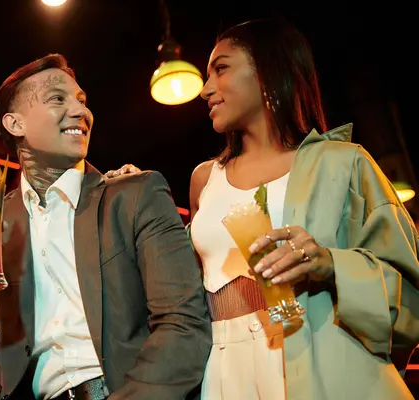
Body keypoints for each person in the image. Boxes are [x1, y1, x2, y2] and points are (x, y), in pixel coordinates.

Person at [0, 54, 212, 400]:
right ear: (15, 125)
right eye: (57, 99)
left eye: (82, 101)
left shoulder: (133, 195)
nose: (81, 112)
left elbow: (184, 325)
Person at [110, 19, 419, 399]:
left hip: (318, 362)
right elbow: (180, 295)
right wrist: (133, 203)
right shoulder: (204, 179)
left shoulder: (344, 163)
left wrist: (329, 263)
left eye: (221, 68)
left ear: (269, 73)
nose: (205, 90)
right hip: (223, 369)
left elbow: (407, 289)